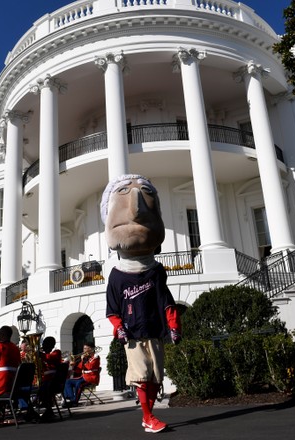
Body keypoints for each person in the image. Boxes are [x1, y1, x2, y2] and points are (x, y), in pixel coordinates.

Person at [102, 174, 182, 434]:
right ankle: (147, 417)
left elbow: (166, 301)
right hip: (134, 334)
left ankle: (149, 414)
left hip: (154, 331)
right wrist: (120, 328)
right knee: (142, 374)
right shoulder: (116, 275)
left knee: (155, 376)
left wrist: (173, 325)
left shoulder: (156, 271)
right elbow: (113, 309)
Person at [63, 342, 100, 406]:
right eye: (84, 348)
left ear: (91, 349)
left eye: (85, 348)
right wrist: (73, 365)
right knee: (67, 381)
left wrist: (84, 359)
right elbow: (78, 370)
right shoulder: (85, 358)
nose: (84, 350)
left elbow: (90, 367)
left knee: (79, 384)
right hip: (83, 377)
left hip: (91, 378)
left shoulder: (95, 357)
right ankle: (71, 399)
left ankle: (75, 401)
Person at [38, 336, 62, 422]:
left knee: (46, 386)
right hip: (45, 379)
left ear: (51, 345)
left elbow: (50, 358)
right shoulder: (45, 354)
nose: (43, 346)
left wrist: (41, 355)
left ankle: (47, 408)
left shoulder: (56, 352)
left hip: (54, 380)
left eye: (44, 344)